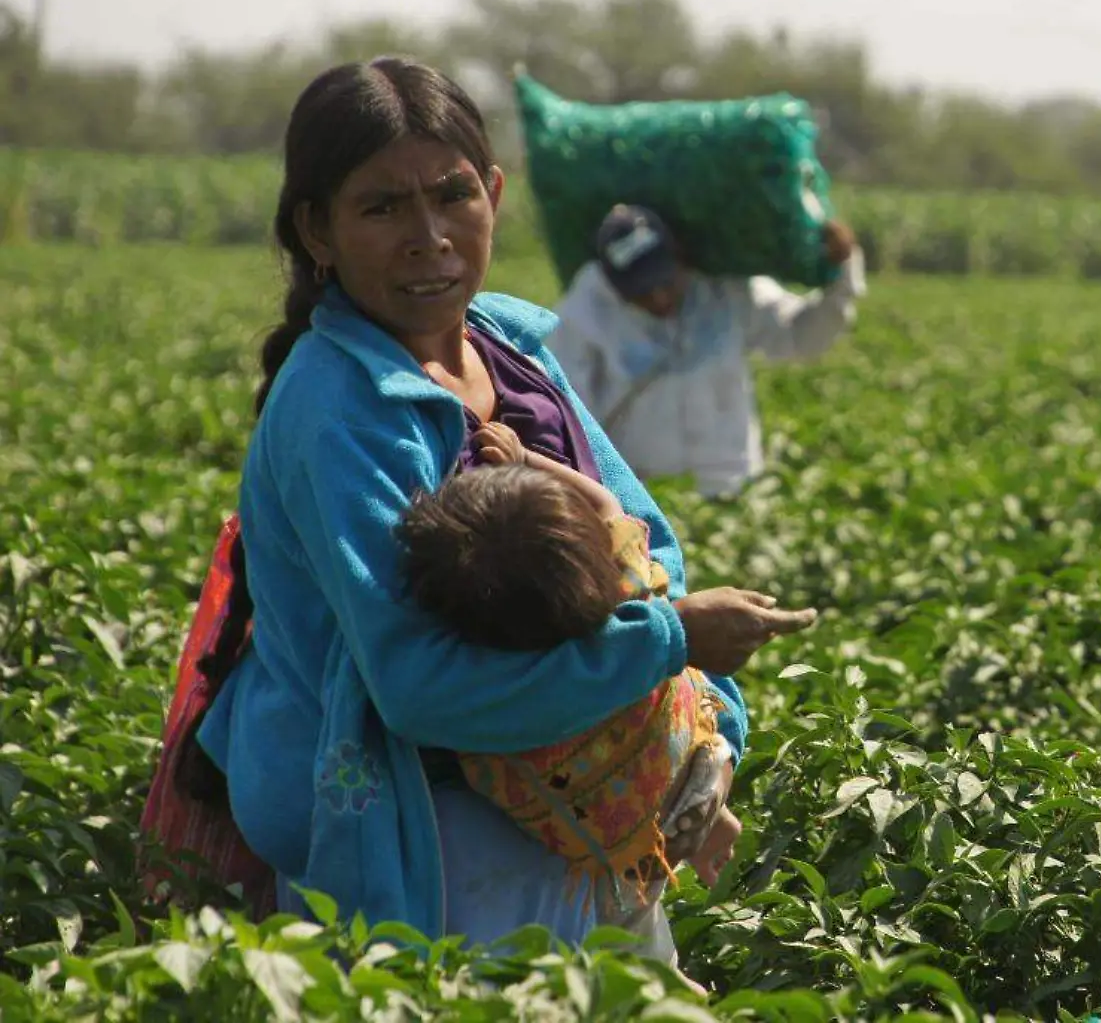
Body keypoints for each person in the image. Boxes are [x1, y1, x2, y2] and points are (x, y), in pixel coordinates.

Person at [167, 57, 815, 957]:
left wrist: (702, 738)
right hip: (431, 837)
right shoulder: (338, 410)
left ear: (495, 195)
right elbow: (419, 687)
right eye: (382, 206)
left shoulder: (513, 348)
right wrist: (669, 644)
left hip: (588, 806)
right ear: (317, 229)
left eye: (452, 194)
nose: (429, 235)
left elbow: (647, 548)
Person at [394, 420, 748, 917]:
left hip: (605, 843)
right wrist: (526, 463)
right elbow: (605, 504)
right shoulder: (629, 594)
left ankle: (667, 970)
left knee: (628, 941)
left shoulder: (509, 698)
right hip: (679, 755)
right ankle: (709, 816)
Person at [545, 203, 867, 499]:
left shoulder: (725, 291)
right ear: (612, 283)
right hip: (645, 504)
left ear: (680, 258)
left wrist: (842, 273)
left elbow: (801, 336)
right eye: (642, 291)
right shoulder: (585, 314)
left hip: (737, 490)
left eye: (665, 283)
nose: (659, 299)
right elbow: (567, 418)